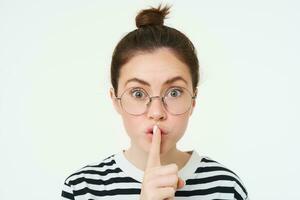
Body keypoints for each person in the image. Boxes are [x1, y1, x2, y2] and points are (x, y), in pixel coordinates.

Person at [61, 4, 249, 200]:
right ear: (115, 100)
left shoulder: (226, 187)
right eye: (138, 93)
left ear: (193, 100)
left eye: (174, 92)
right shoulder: (82, 189)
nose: (157, 112)